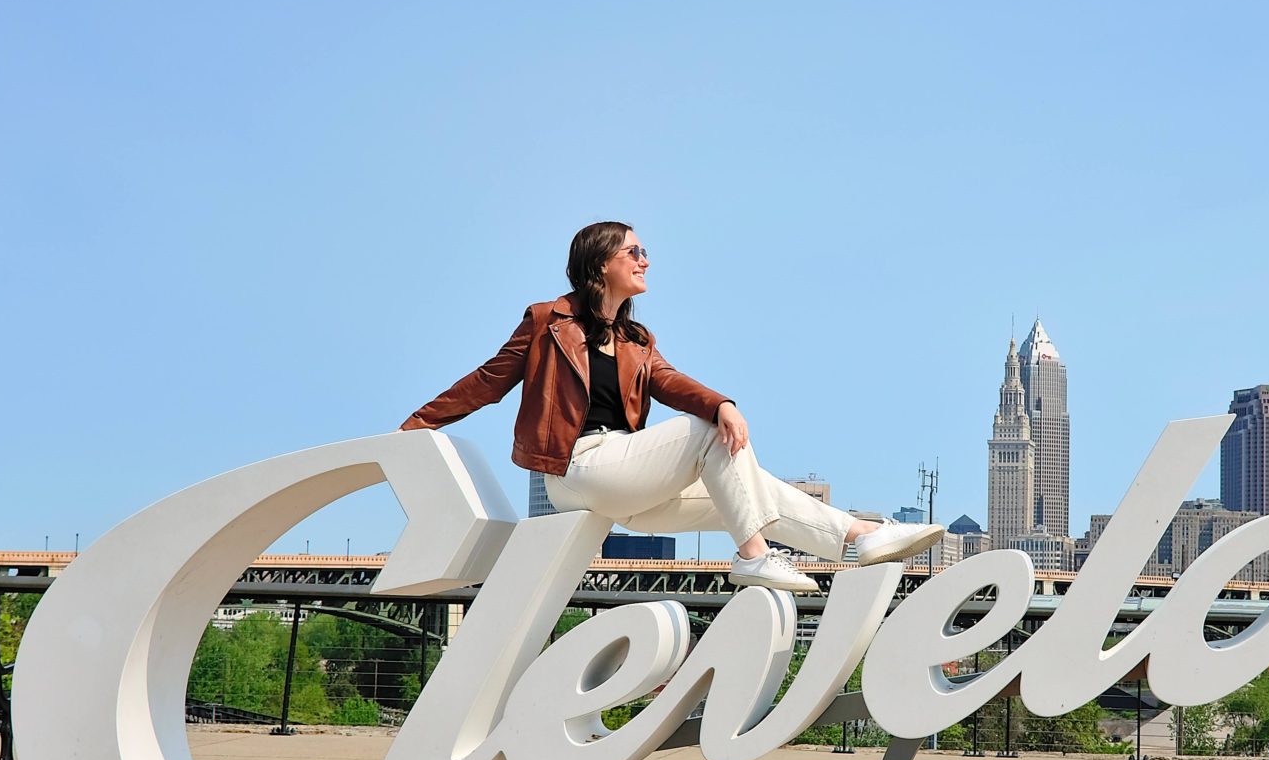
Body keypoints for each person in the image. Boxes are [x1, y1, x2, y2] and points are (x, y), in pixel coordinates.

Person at [399, 221, 943, 591]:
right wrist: (417, 426)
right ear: (600, 263)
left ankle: (857, 540)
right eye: (634, 252)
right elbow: (489, 381)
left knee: (753, 489)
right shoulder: (548, 321)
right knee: (708, 431)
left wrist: (720, 400)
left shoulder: (637, 338)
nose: (646, 260)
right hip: (578, 469)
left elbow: (670, 381)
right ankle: (754, 558)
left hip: (628, 485)